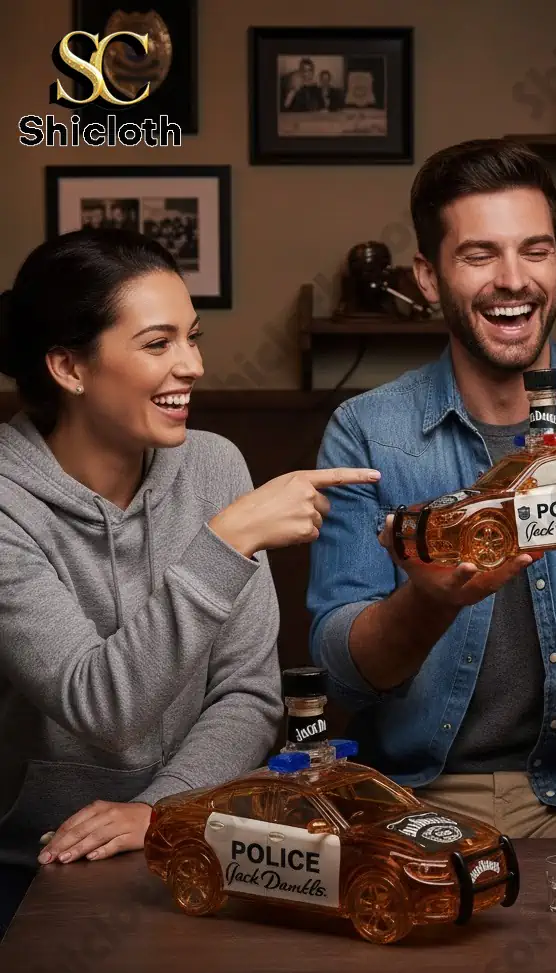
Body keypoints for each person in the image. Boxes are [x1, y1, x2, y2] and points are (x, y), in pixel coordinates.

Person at [307, 138, 556, 838]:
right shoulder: (365, 431)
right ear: (428, 277)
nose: (513, 279)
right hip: (414, 800)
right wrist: (424, 606)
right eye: (479, 254)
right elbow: (344, 676)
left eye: (535, 250)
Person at [0, 229, 379, 934]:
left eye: (193, 337)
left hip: (193, 835)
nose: (194, 365)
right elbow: (100, 706)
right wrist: (226, 541)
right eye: (158, 344)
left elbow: (248, 691)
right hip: (36, 864)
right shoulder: (6, 504)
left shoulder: (213, 467)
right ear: (68, 367)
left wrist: (160, 808)